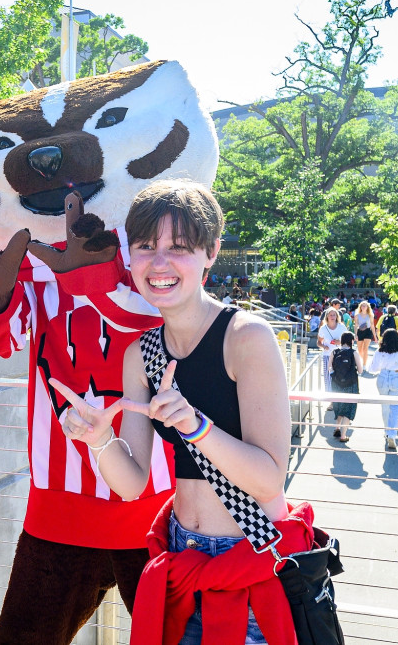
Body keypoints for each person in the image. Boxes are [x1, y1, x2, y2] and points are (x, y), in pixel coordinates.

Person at [52, 181, 293, 643]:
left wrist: (195, 425)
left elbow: (268, 478)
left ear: (211, 252)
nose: (159, 263)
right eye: (146, 247)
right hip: (180, 560)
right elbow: (132, 483)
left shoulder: (247, 339)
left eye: (178, 247)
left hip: (252, 557)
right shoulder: (141, 354)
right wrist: (98, 439)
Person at [367, 328, 398, 451]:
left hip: (383, 377)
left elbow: (373, 369)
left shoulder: (380, 351)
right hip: (397, 377)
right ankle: (392, 434)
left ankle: (386, 432)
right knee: (394, 408)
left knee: (385, 407)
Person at [329, 332, 363, 442]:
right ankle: (343, 435)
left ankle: (337, 428)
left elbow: (329, 368)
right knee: (348, 409)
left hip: (336, 383)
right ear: (351, 341)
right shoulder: (354, 353)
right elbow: (361, 370)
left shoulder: (334, 352)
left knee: (338, 406)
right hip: (351, 383)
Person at [318, 307, 346, 398]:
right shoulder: (323, 328)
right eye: (330, 315)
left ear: (337, 316)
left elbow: (348, 341)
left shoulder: (342, 327)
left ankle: (338, 398)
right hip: (327, 355)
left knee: (339, 377)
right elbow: (318, 342)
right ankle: (330, 399)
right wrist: (323, 346)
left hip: (340, 355)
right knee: (328, 377)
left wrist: (340, 342)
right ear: (327, 317)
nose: (332, 317)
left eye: (334, 315)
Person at [353, 300, 376, 370]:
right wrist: (355, 334)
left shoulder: (370, 315)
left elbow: (372, 325)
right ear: (360, 307)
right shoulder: (357, 315)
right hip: (360, 331)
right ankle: (362, 360)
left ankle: (364, 364)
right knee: (360, 350)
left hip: (368, 332)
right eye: (362, 305)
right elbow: (356, 325)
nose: (363, 307)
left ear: (367, 307)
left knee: (365, 349)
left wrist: (375, 336)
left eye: (365, 305)